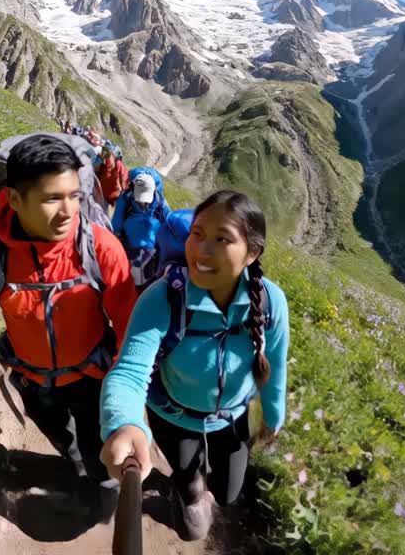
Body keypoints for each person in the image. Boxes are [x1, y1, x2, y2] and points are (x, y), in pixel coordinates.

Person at [99, 190, 289, 541]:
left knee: (229, 492)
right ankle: (185, 494)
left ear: (252, 253)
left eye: (221, 239)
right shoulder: (163, 297)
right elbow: (129, 371)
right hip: (173, 415)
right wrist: (124, 423)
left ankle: (199, 490)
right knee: (190, 487)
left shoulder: (271, 302)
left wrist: (272, 416)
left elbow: (273, 364)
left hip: (233, 417)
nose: (201, 249)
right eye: (197, 234)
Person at [0, 134, 138, 489]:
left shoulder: (100, 247)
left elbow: (131, 326)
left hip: (94, 379)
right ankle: (81, 469)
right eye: (53, 198)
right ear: (16, 200)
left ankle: (100, 483)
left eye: (74, 196)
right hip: (34, 384)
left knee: (98, 449)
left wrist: (125, 399)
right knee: (67, 443)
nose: (68, 211)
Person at [111, 168, 171, 289]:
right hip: (133, 244)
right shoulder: (127, 196)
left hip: (148, 247)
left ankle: (137, 292)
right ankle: (135, 292)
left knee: (141, 276)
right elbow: (117, 219)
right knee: (136, 277)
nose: (143, 204)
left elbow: (169, 221)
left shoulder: (160, 201)